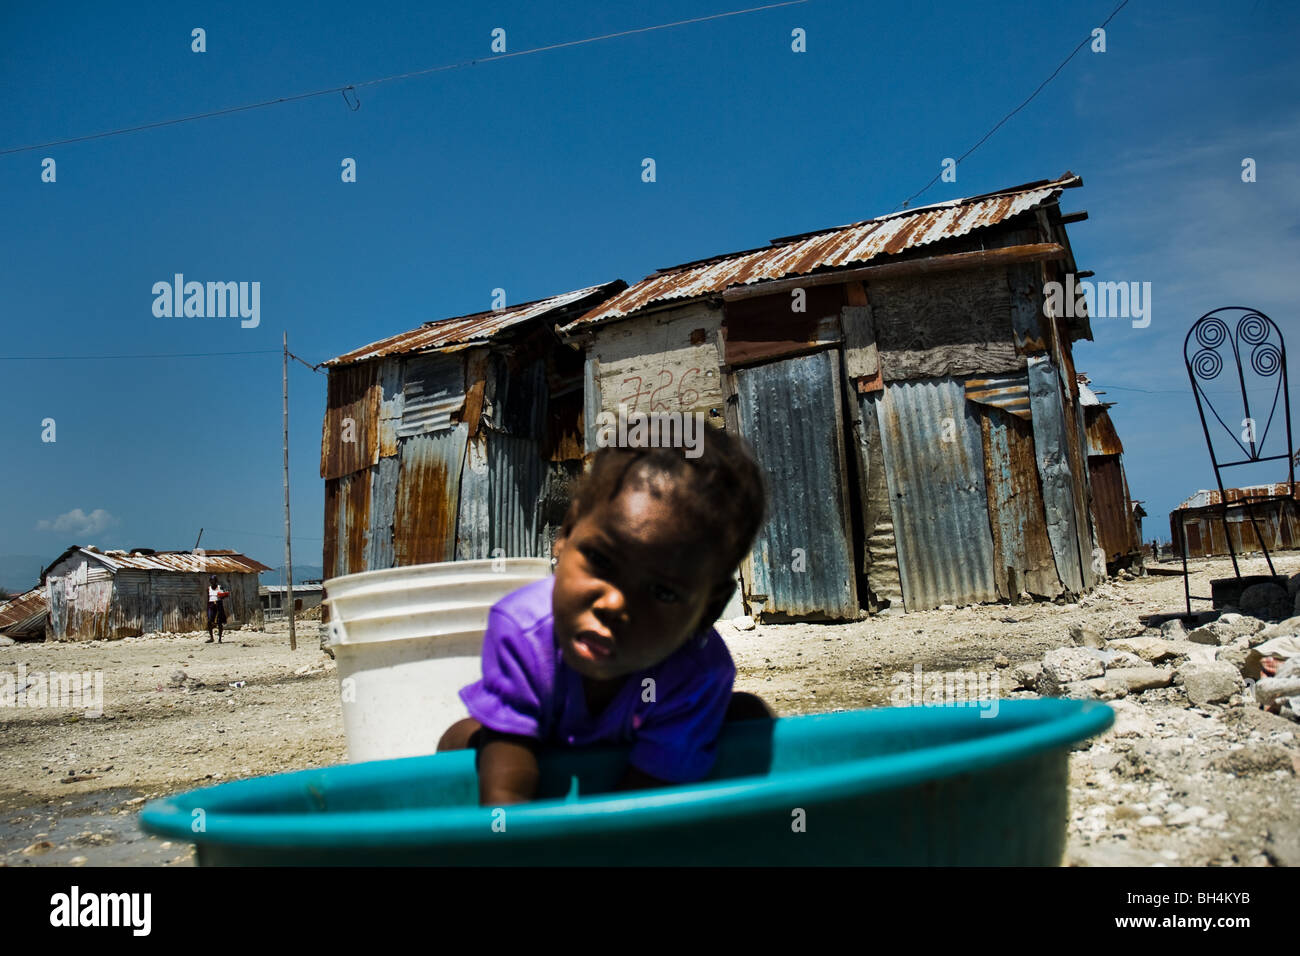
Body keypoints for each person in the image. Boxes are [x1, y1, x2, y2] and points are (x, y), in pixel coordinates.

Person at [437, 422, 771, 806]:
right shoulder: (522, 632)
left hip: (644, 757)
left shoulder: (698, 670)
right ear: (566, 533)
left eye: (662, 591)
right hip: (542, 747)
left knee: (747, 716)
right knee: (462, 739)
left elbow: (647, 801)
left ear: (708, 608)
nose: (613, 604)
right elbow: (508, 785)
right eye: (599, 560)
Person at [206, 574, 229, 643]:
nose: (213, 582)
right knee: (209, 621)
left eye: (214, 580)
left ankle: (219, 639)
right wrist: (207, 606)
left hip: (218, 604)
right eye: (211, 580)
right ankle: (211, 638)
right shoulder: (208, 588)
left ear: (216, 581)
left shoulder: (220, 587)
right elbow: (208, 598)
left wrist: (222, 595)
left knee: (219, 622)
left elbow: (224, 595)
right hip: (211, 604)